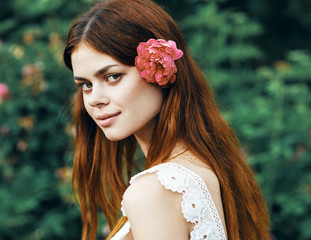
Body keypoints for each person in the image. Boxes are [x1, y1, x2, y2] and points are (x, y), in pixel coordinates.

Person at [63, 0, 271, 239]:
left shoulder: (155, 190)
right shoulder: (204, 167)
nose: (94, 99)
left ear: (159, 67)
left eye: (112, 76)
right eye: (86, 85)